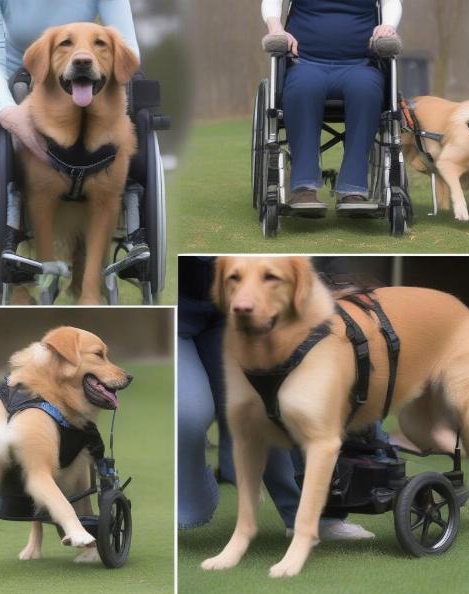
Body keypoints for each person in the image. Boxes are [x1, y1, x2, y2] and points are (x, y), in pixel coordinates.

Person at [178, 257, 374, 540]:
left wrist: (334, 283)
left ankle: (309, 515)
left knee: (276, 391)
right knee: (190, 414)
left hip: (241, 306)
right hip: (179, 306)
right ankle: (198, 492)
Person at [261, 0, 403, 216]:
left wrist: (389, 26)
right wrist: (276, 28)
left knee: (366, 90)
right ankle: (304, 187)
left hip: (360, 64)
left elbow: (391, 2)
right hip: (305, 62)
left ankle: (353, 189)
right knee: (304, 88)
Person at [0, 0, 140, 163]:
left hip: (87, 74)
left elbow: (127, 47)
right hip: (21, 79)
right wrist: (8, 112)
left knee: (135, 89)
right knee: (18, 93)